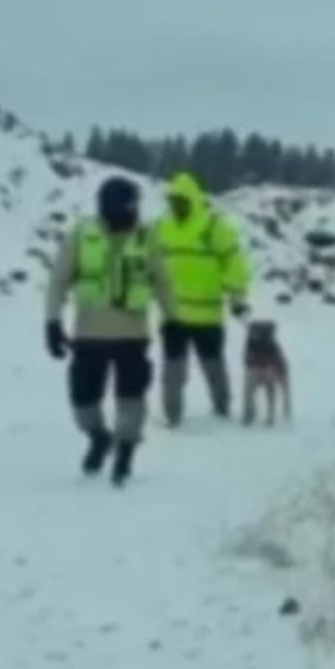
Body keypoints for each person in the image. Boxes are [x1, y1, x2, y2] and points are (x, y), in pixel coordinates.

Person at [46, 177, 176, 486]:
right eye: (124, 206)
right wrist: (52, 322)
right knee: (82, 401)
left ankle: (126, 451)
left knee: (130, 398)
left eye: (134, 206)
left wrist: (174, 322)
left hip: (133, 335)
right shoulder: (82, 235)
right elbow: (58, 281)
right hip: (88, 335)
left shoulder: (147, 237)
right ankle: (99, 437)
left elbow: (163, 283)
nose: (130, 213)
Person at [154, 171, 251, 427]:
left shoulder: (214, 227)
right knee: (173, 370)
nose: (176, 205)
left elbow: (234, 263)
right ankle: (172, 417)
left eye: (181, 200)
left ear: (193, 199)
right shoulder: (161, 228)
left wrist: (237, 298)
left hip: (207, 315)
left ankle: (222, 409)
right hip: (173, 316)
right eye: (173, 201)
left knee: (213, 367)